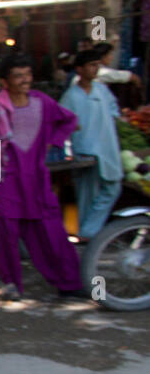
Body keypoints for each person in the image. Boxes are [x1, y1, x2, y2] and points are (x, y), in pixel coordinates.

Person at [0, 54, 86, 300]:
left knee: (52, 232)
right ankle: (11, 284)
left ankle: (69, 284)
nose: (25, 80)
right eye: (18, 76)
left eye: (28, 74)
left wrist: (53, 142)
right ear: (5, 81)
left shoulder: (43, 102)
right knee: (5, 237)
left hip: (35, 181)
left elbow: (70, 120)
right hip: (1, 182)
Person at [60, 48, 124, 241]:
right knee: (87, 193)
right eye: (91, 65)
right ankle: (88, 236)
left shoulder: (102, 90)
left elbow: (114, 110)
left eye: (97, 65)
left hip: (107, 147)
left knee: (113, 188)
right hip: (85, 151)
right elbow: (61, 122)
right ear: (79, 69)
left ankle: (89, 231)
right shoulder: (70, 96)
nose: (96, 69)